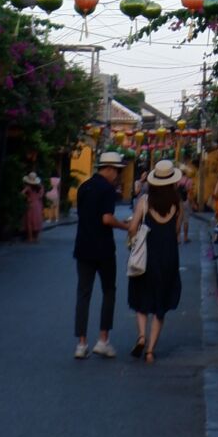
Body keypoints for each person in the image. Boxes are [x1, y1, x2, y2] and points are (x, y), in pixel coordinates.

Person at [72, 150, 130, 359]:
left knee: (83, 294)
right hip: (103, 249)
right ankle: (103, 340)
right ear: (111, 169)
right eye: (117, 171)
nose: (118, 176)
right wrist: (125, 226)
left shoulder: (83, 187)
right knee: (108, 291)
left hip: (83, 247)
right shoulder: (107, 189)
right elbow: (106, 219)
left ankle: (81, 343)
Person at [126, 158, 185, 362]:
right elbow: (176, 230)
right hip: (168, 257)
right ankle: (150, 350)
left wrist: (131, 240)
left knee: (142, 299)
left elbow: (133, 228)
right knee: (161, 304)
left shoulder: (144, 201)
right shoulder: (177, 204)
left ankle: (141, 336)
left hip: (147, 257)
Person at [22, 168, 45, 243]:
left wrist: (27, 197)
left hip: (30, 204)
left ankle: (30, 237)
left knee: (29, 221)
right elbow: (41, 196)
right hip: (38, 205)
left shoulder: (28, 187)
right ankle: (36, 237)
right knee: (37, 220)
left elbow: (21, 194)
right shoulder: (40, 187)